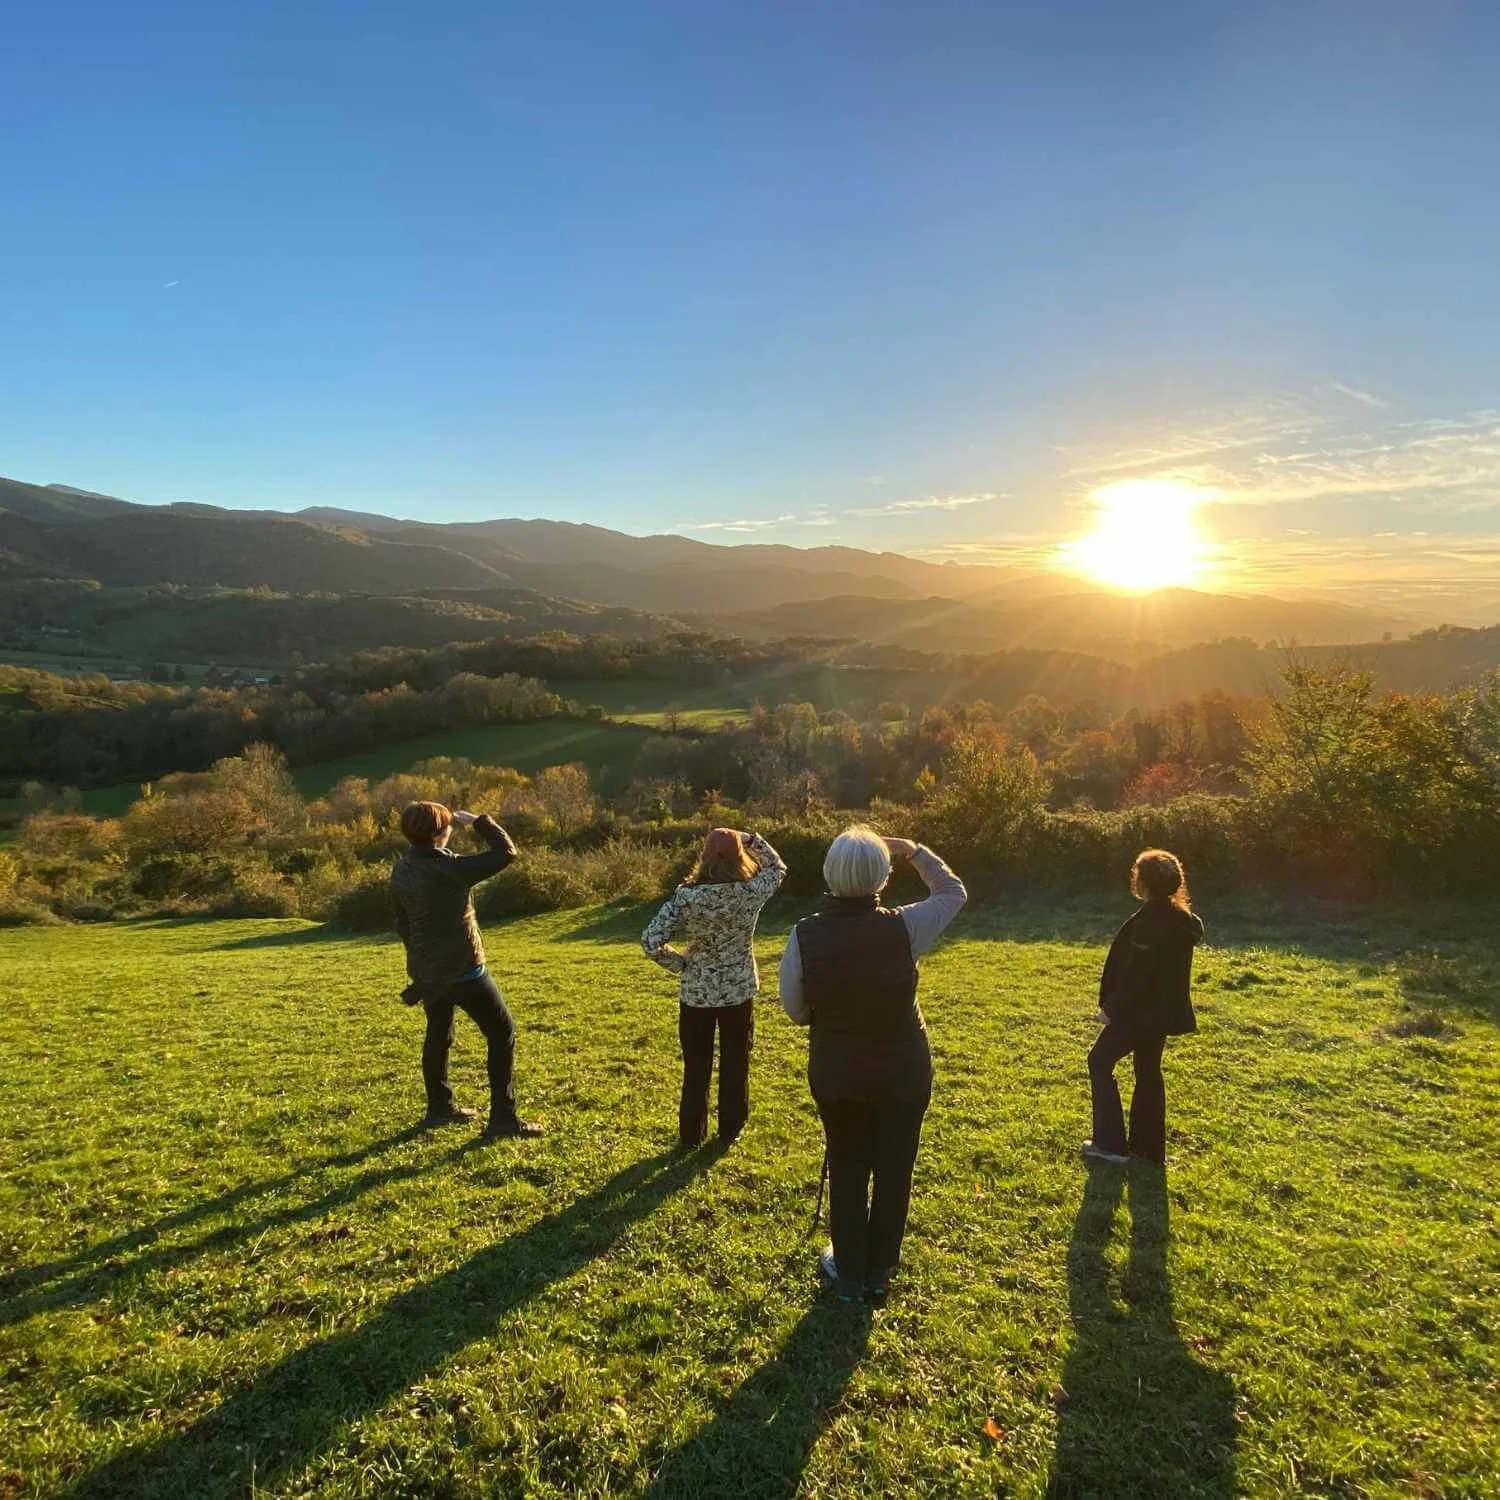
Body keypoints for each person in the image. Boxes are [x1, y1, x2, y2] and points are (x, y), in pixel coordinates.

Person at [779, 827, 966, 1304]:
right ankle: (880, 1269)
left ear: (828, 873)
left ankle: (848, 1271)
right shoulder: (906, 926)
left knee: (846, 1165)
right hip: (903, 1069)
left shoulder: (804, 935)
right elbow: (952, 891)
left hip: (838, 1070)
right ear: (884, 874)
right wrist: (915, 850)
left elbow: (796, 1010)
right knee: (895, 1168)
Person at [390, 800, 542, 1140]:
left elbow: (402, 922)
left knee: (438, 1036)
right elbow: (506, 852)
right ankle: (503, 1119)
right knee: (502, 1033)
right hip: (464, 969)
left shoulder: (401, 868)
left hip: (427, 972)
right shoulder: (450, 867)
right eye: (447, 828)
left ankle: (439, 1109)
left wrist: (419, 961)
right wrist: (480, 822)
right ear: (440, 832)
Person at [641, 828, 786, 1148]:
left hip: (696, 993)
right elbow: (778, 868)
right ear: (740, 856)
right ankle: (731, 1129)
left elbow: (651, 942)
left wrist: (680, 964)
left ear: (704, 856)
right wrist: (751, 839)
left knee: (696, 1067)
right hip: (738, 991)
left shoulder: (686, 897)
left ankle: (692, 1134)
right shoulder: (750, 891)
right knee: (736, 1060)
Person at [1082, 848, 1203, 1168]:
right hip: (1162, 1015)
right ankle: (1148, 1150)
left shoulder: (1151, 923)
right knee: (1147, 1071)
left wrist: (1111, 1009)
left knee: (1099, 1061)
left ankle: (1109, 1145)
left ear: (1142, 882)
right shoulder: (1183, 920)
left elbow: (1137, 975)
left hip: (1139, 1013)